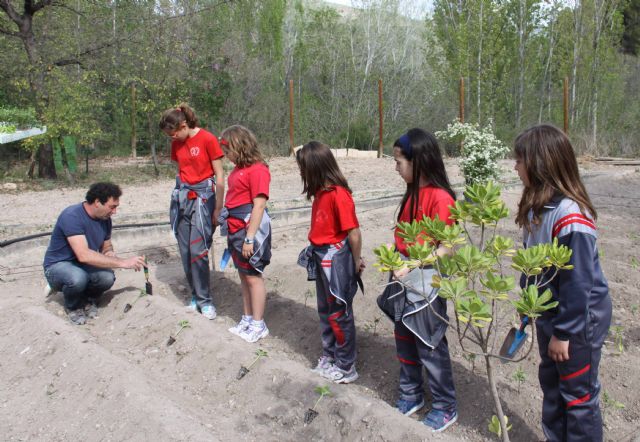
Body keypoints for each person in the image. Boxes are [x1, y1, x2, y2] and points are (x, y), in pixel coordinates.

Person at [514, 124, 611, 442]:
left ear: (540, 164)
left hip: (577, 320)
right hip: (551, 313)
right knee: (553, 385)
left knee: (577, 395)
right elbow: (532, 264)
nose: (515, 167)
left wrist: (564, 334)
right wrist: (529, 308)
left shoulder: (571, 217)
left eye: (520, 160)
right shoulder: (538, 209)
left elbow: (577, 283)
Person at [377, 128, 458, 432]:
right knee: (404, 339)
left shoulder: (440, 198)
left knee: (429, 343)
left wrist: (413, 263)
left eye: (400, 161)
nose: (396, 167)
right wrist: (393, 251)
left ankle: (445, 405)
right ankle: (411, 393)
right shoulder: (412, 194)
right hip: (402, 279)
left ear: (419, 160)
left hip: (425, 283)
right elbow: (405, 238)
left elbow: (447, 247)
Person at [296, 141, 365, 384]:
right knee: (326, 311)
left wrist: (355, 262)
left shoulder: (338, 195)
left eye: (303, 168)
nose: (301, 173)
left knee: (339, 313)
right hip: (320, 255)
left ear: (315, 167)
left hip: (335, 262)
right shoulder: (320, 194)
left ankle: (346, 365)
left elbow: (354, 233)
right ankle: (330, 355)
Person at [43, 182, 146, 325]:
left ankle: (87, 300)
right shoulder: (72, 216)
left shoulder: (105, 220)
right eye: (112, 207)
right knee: (77, 278)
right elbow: (83, 255)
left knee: (107, 277)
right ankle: (73, 306)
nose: (114, 211)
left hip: (83, 266)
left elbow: (106, 245)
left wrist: (109, 254)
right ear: (97, 202)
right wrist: (123, 262)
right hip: (58, 265)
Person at [159, 103, 225, 320]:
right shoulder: (176, 144)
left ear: (184, 125)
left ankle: (206, 301)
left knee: (198, 251)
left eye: (174, 133)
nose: (173, 138)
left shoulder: (207, 139)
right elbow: (182, 171)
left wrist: (217, 207)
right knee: (186, 251)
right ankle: (195, 296)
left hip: (203, 199)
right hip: (183, 198)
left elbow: (220, 176)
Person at [217, 125, 272, 343]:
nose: (226, 155)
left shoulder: (258, 170)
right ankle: (247, 318)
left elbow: (258, 206)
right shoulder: (238, 169)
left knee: (253, 276)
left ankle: (259, 324)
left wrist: (250, 238)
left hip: (248, 229)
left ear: (239, 146)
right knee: (243, 275)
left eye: (228, 149)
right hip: (234, 228)